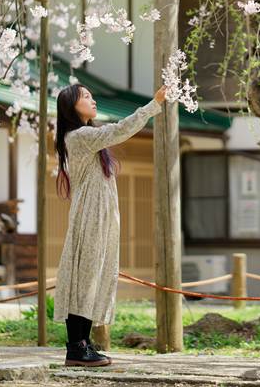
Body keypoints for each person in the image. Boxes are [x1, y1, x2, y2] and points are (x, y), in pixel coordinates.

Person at [52, 83, 167, 366]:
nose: (93, 100)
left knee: (95, 276)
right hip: (90, 215)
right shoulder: (79, 136)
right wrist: (153, 105)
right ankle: (76, 348)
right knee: (86, 277)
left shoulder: (85, 137)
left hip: (99, 215)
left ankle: (83, 344)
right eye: (86, 97)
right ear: (71, 107)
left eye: (91, 95)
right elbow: (118, 130)